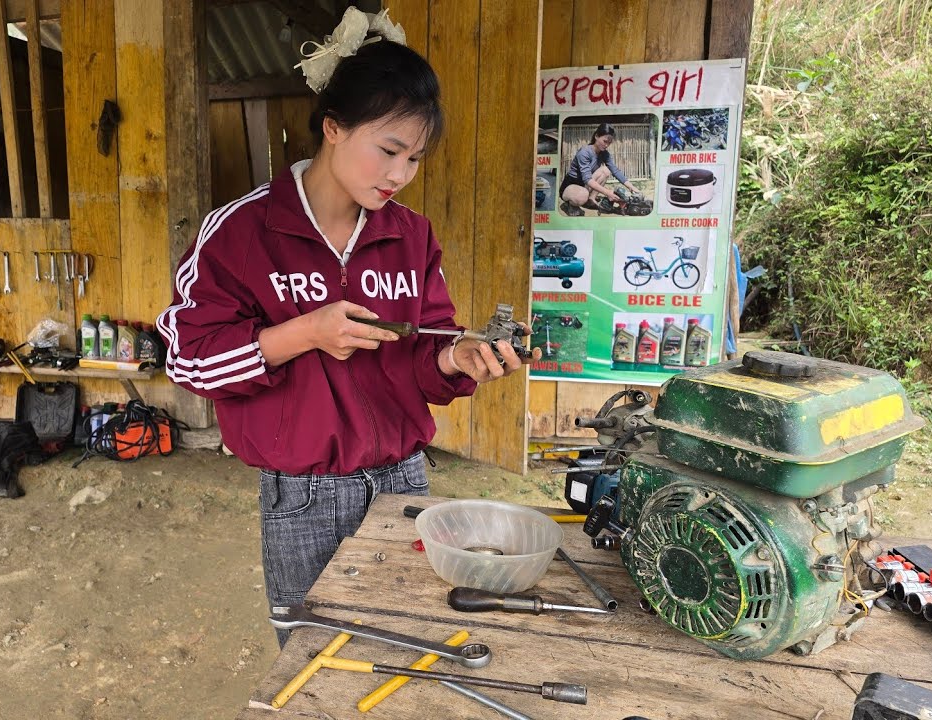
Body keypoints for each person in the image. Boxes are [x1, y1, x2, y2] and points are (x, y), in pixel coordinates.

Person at [156, 10, 534, 647]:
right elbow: (189, 362)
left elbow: (423, 349)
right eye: (387, 150)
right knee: (316, 662)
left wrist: (455, 358)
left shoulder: (410, 237)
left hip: (403, 481)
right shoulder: (242, 233)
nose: (399, 174)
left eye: (414, 158)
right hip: (302, 495)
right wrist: (304, 333)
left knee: (409, 644)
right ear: (332, 127)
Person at [559, 123, 642, 216]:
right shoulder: (584, 152)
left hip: (584, 185)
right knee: (582, 196)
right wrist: (607, 193)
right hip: (570, 186)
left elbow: (615, 171)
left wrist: (632, 187)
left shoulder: (604, 153)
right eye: (605, 141)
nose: (606, 145)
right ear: (596, 136)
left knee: (605, 170)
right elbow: (587, 179)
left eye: (609, 143)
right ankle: (571, 205)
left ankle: (591, 199)